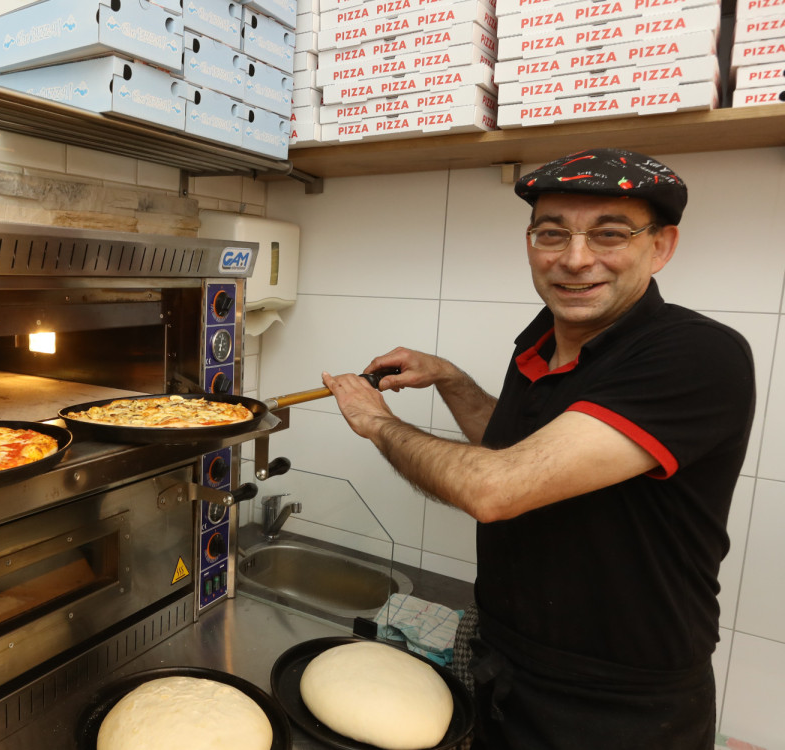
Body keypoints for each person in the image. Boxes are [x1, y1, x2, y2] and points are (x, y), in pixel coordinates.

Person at [320, 148, 756, 750]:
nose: (575, 260)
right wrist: (449, 378)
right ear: (530, 242)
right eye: (552, 234)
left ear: (660, 247)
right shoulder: (543, 336)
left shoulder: (696, 355)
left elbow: (496, 488)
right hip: (507, 661)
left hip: (617, 702)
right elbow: (518, 452)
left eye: (610, 234)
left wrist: (378, 424)